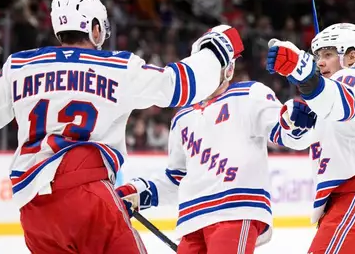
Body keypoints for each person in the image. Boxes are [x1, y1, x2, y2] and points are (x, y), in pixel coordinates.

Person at [0, 0, 244, 254]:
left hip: (35, 212)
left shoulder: (20, 66)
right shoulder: (117, 67)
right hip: (89, 197)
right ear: (93, 27)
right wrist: (218, 49)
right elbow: (179, 85)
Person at [115, 39, 316, 254]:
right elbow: (177, 178)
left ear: (230, 68)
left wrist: (296, 123)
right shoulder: (182, 117)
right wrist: (140, 192)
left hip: (235, 210)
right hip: (191, 221)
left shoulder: (250, 95)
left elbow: (289, 135)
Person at [266, 23, 355, 254]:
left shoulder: (354, 78)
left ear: (351, 56)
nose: (320, 62)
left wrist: (302, 72)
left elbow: (338, 101)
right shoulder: (349, 93)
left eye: (328, 54)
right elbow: (296, 139)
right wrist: (293, 120)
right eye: (317, 56)